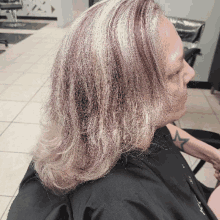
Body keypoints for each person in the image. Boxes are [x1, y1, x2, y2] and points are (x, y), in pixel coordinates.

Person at [7, 0, 220, 219]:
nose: (191, 73)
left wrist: (210, 153)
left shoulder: (126, 123)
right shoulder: (121, 207)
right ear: (131, 98)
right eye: (175, 71)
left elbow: (164, 131)